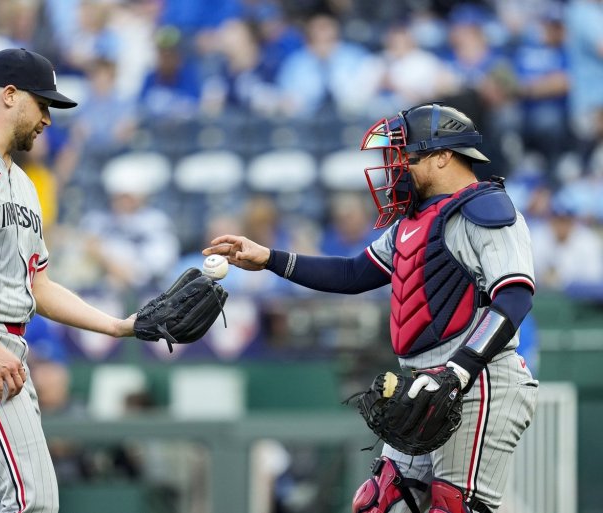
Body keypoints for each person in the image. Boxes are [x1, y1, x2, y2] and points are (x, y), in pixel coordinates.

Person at [203, 103, 539, 513]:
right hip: (424, 384)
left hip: (478, 382)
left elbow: (515, 296)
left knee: (453, 507)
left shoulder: (486, 209)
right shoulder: (413, 221)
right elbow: (353, 274)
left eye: (405, 156)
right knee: (380, 502)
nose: (395, 169)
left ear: (442, 156)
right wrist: (270, 258)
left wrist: (459, 370)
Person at [0, 48, 141, 513]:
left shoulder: (25, 184)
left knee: (13, 498)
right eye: (43, 103)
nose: (48, 119)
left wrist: (118, 326)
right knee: (29, 498)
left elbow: (40, 287)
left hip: (1, 345)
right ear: (10, 95)